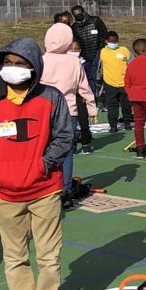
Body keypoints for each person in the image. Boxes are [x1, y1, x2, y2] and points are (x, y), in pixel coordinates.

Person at [0, 37, 75, 290]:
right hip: (7, 193)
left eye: (21, 64)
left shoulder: (50, 98)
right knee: (15, 256)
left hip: (45, 189)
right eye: (8, 63)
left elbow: (63, 137)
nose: (13, 69)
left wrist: (43, 165)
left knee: (48, 254)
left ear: (34, 67)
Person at [39, 23, 97, 199]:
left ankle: (45, 184)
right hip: (68, 110)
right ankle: (64, 187)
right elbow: (84, 86)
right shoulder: (74, 61)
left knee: (43, 148)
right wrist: (92, 107)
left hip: (43, 109)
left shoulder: (41, 59)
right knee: (67, 150)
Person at [69, 4, 109, 95]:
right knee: (85, 76)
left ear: (83, 12)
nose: (78, 16)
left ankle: (97, 96)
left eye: (79, 13)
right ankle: (87, 95)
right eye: (75, 15)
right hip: (83, 54)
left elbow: (104, 35)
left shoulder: (96, 21)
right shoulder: (75, 27)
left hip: (97, 52)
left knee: (96, 76)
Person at [98, 30, 133, 133]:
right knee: (112, 106)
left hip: (124, 83)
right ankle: (113, 125)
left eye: (115, 41)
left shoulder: (124, 50)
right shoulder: (102, 52)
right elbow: (98, 67)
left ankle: (127, 123)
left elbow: (132, 64)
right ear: (106, 41)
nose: (114, 43)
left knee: (126, 105)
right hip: (109, 84)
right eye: (111, 41)